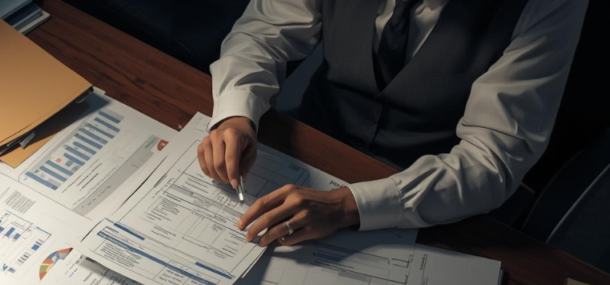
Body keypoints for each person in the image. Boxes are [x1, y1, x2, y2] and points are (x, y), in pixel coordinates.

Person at [199, 0, 588, 247]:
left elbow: (491, 159)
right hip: (314, 141)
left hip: (430, 188)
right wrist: (236, 113)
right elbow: (264, 33)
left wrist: (347, 206)